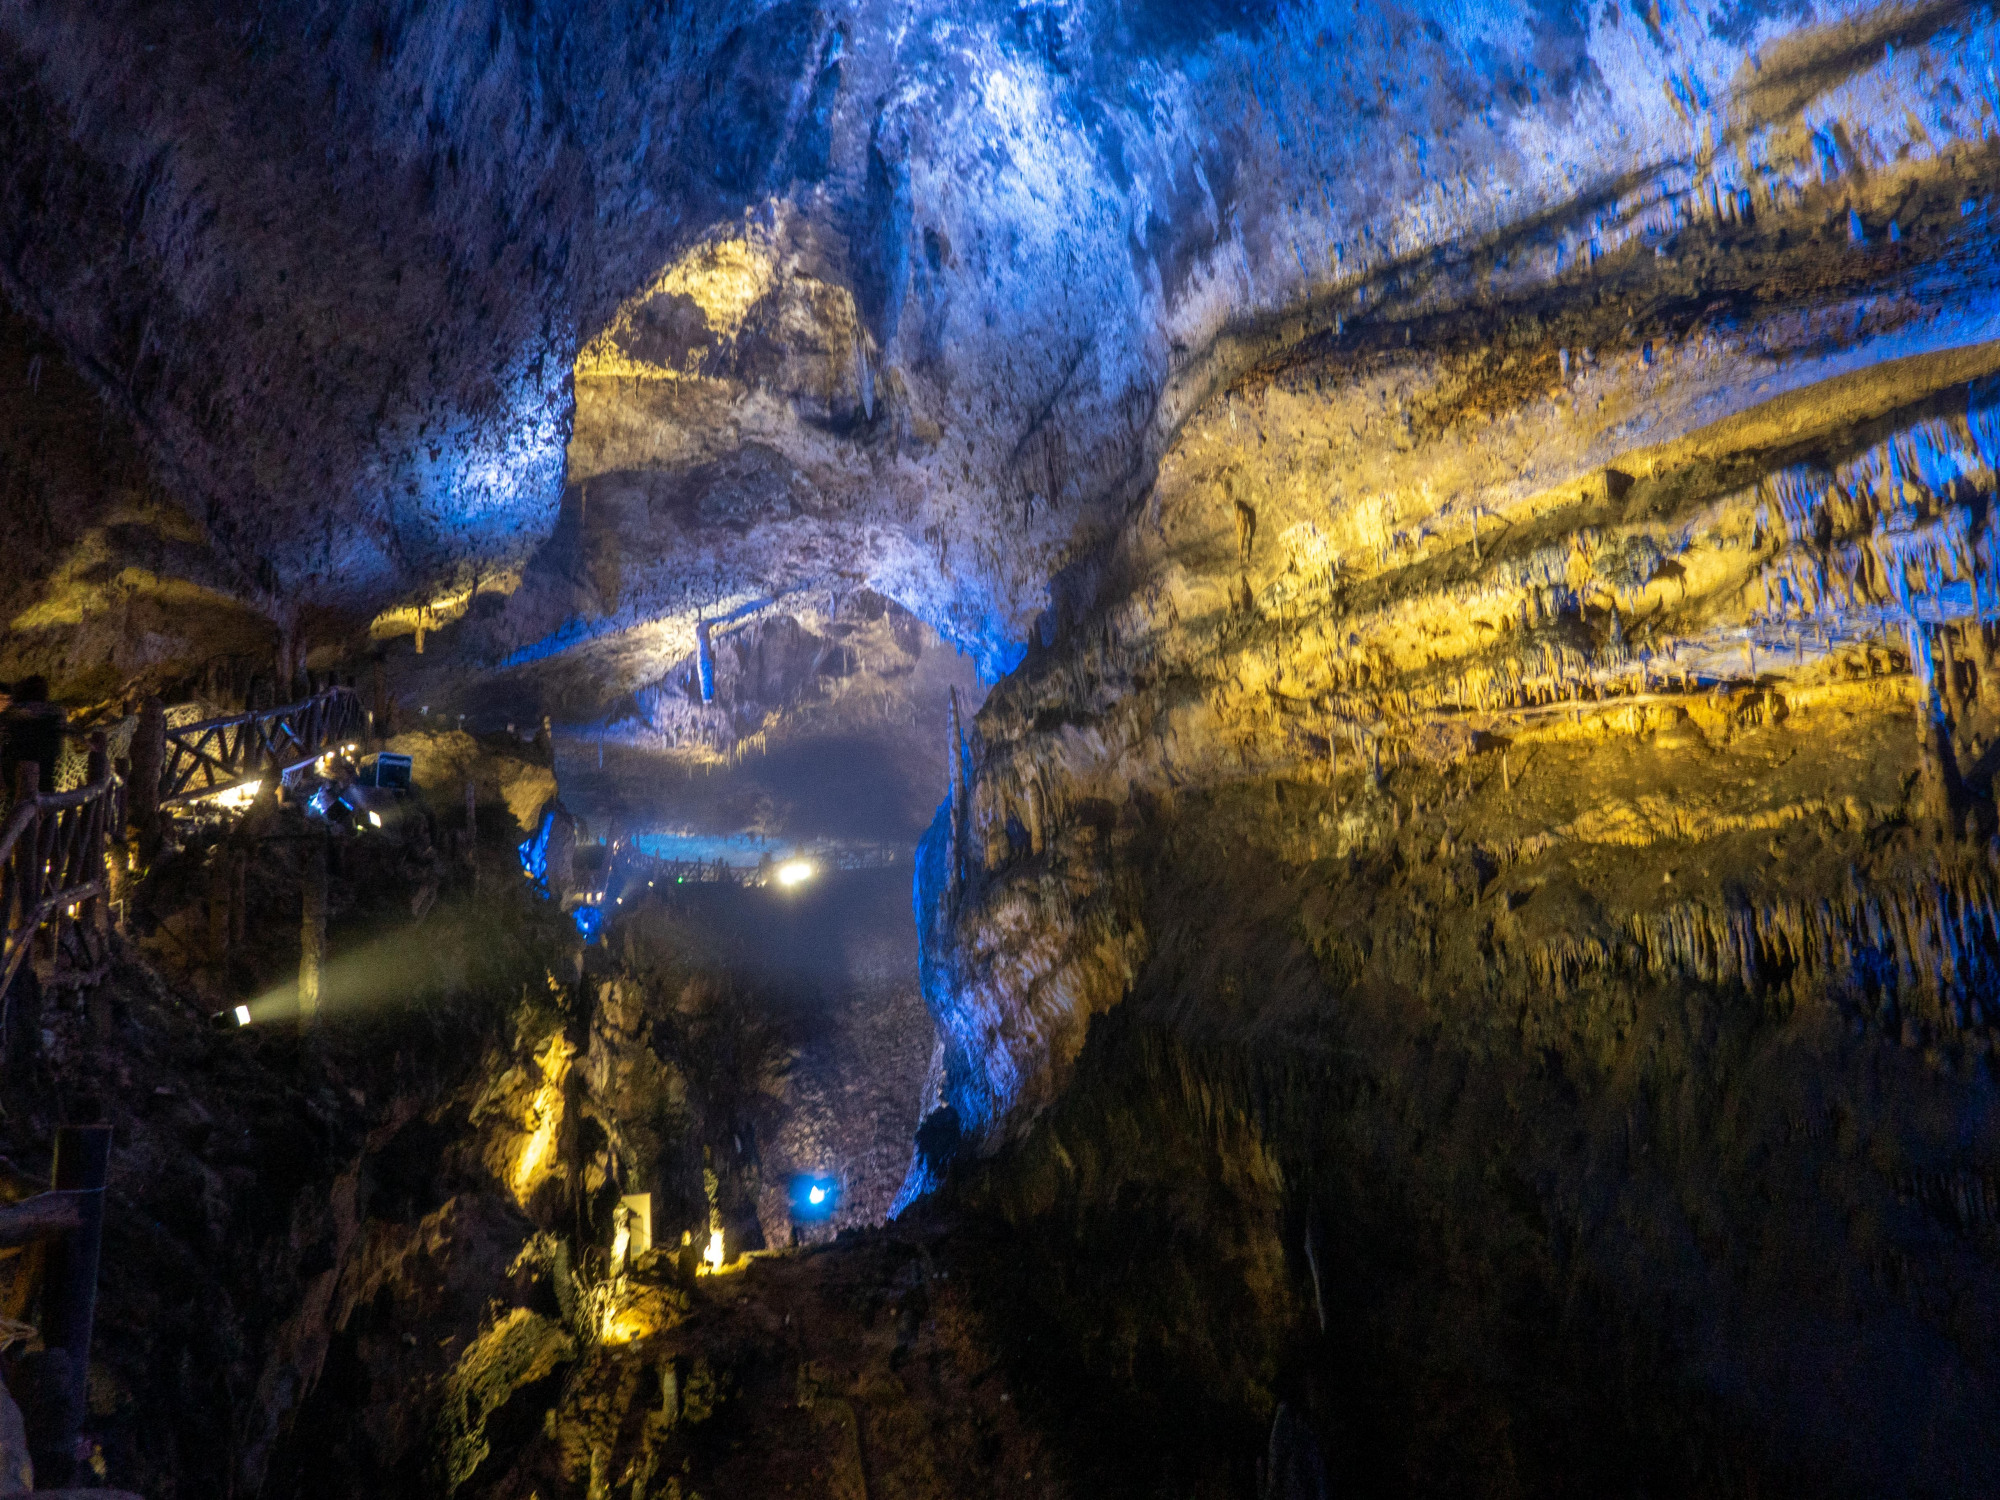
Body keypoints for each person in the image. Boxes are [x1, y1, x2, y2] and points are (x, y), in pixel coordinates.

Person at [0, 678, 63, 798]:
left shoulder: (10, 717)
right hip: (39, 772)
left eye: (6, 698)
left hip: (19, 773)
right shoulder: (51, 713)